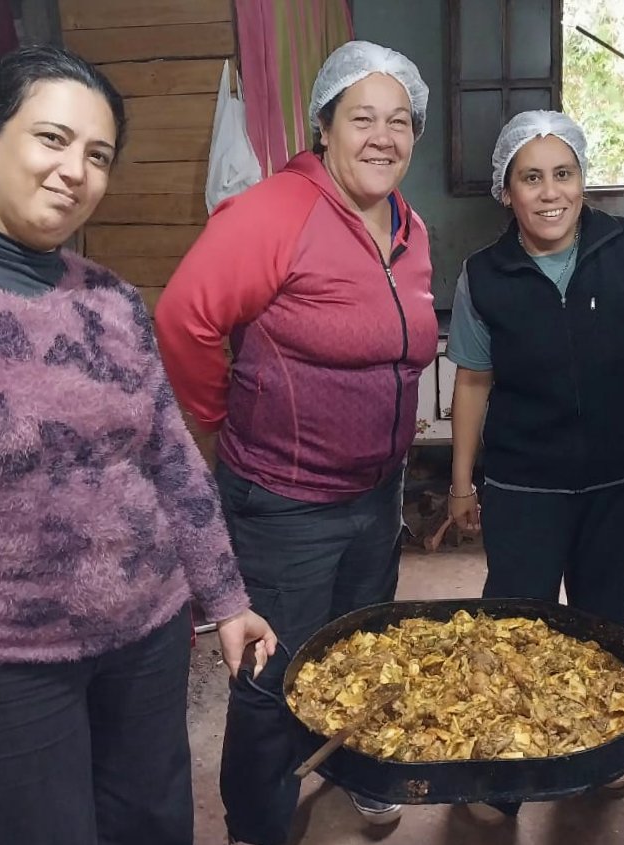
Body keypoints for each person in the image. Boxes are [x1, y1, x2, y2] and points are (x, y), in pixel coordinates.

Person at [0, 46, 276, 845]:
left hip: (148, 634)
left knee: (157, 829)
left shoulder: (109, 299)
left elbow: (172, 459)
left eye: (97, 155)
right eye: (52, 139)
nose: (76, 170)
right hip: (3, 662)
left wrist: (229, 599)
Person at [154, 40, 437, 845]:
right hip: (285, 499)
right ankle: (257, 821)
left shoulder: (409, 226)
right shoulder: (279, 210)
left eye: (399, 121)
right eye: (362, 118)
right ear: (323, 126)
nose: (383, 137)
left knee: (360, 646)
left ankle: (358, 771)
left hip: (377, 491)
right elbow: (185, 318)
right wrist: (220, 417)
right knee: (273, 670)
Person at [446, 111, 624, 797]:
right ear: (507, 191)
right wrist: (462, 483)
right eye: (531, 177)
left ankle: (593, 752)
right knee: (516, 623)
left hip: (620, 478)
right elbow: (471, 381)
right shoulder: (484, 275)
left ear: (583, 180)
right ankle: (505, 778)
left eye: (564, 173)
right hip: (524, 483)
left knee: (600, 620)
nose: (550, 191)